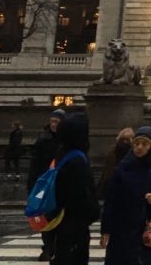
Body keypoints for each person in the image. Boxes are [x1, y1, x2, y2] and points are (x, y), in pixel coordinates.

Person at [100, 126, 151, 265]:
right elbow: (111, 200)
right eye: (136, 144)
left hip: (145, 227)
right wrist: (106, 230)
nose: (139, 147)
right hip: (122, 227)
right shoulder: (123, 167)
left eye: (144, 144)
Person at [52, 113, 100, 265]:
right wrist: (93, 212)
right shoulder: (78, 159)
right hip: (75, 222)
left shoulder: (62, 152)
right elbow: (82, 195)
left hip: (61, 218)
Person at [28, 109, 66, 261]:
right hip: (45, 184)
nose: (53, 124)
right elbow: (34, 165)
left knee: (60, 218)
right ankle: (48, 246)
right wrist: (32, 187)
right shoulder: (43, 140)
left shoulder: (66, 141)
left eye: (56, 122)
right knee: (46, 217)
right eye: (52, 121)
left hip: (60, 184)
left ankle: (55, 246)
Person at [96, 128, 134, 200]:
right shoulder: (131, 154)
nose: (124, 142)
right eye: (123, 139)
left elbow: (106, 173)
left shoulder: (113, 152)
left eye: (127, 140)